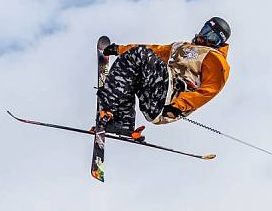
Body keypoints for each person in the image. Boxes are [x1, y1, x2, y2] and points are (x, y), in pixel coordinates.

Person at [96, 17, 231, 138]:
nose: (206, 37)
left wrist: (178, 106)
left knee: (138, 55)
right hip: (155, 100)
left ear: (218, 44)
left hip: (172, 96)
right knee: (129, 64)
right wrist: (120, 50)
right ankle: (120, 122)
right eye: (206, 31)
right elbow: (155, 51)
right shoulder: (181, 47)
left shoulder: (216, 58)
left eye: (212, 38)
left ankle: (119, 115)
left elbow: (209, 90)